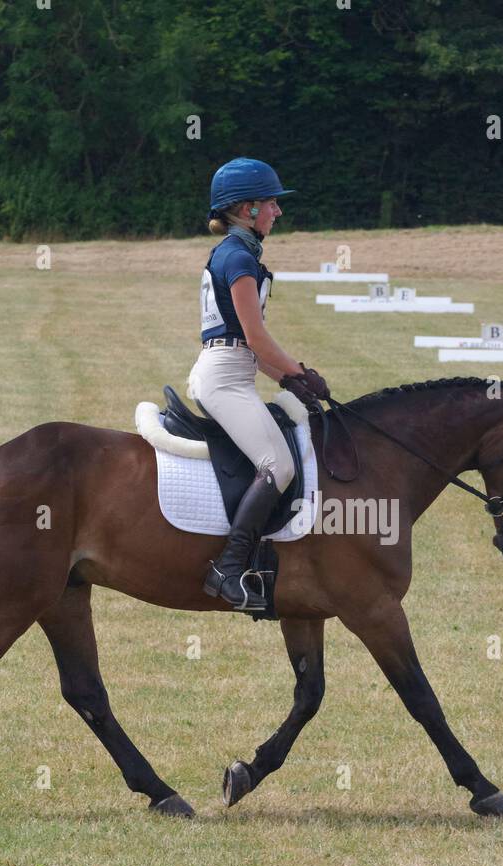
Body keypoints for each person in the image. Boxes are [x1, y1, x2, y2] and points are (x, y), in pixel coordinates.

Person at [189, 157, 330, 611]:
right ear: (248, 209)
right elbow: (255, 338)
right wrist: (298, 373)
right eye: (271, 202)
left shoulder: (238, 254)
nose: (278, 211)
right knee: (279, 465)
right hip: (224, 380)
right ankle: (227, 568)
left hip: (233, 372)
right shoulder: (238, 257)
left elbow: (248, 346)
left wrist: (294, 380)